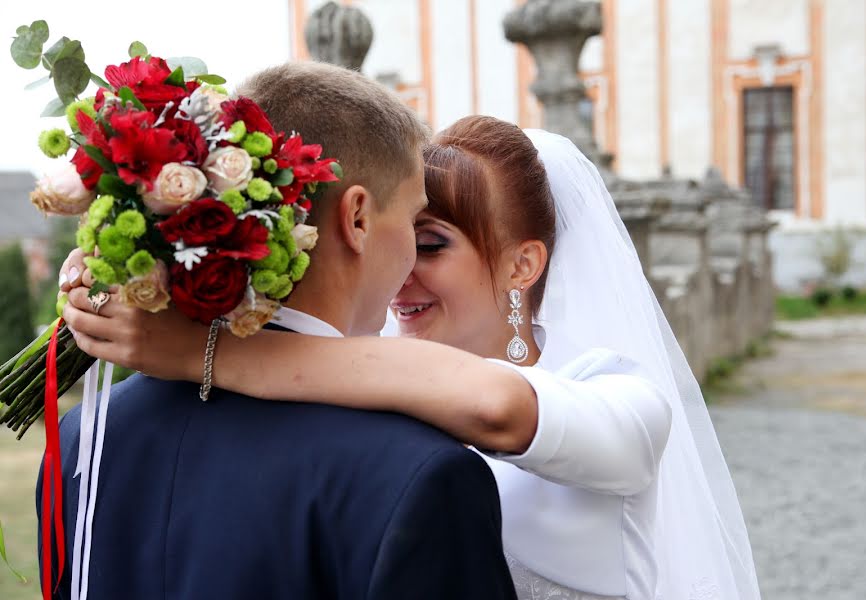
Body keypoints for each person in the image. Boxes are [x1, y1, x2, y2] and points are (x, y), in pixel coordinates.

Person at [63, 117, 762, 599]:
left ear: (523, 264)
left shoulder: (622, 398)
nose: (399, 274)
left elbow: (494, 404)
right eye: (400, 238)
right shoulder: (361, 379)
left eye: (431, 247)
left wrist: (202, 352)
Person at [41, 64, 518, 600]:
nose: (412, 261)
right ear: (357, 218)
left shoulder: (86, 437)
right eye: (413, 220)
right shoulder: (422, 474)